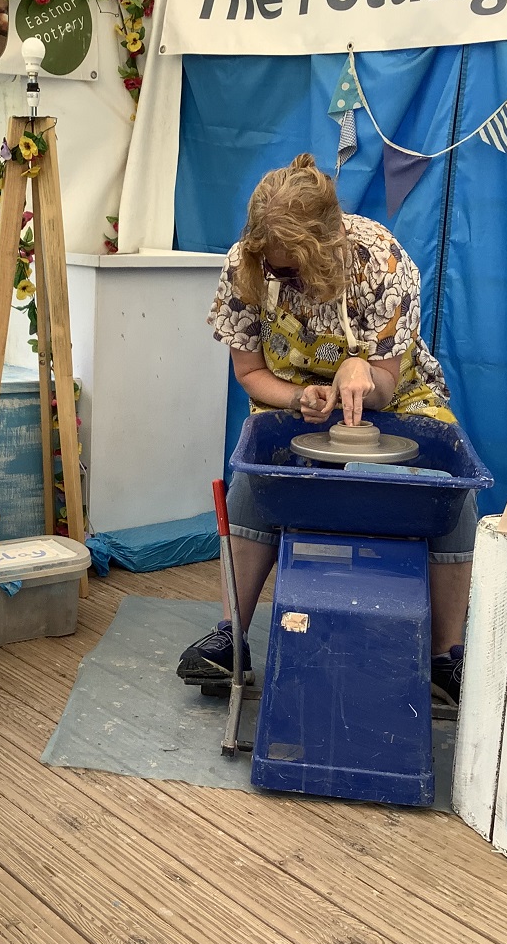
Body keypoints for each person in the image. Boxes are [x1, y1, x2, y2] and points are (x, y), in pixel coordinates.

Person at [176, 153, 477, 705]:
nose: (279, 278)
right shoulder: (246, 265)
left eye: (291, 270)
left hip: (393, 394)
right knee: (255, 475)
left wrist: (361, 370)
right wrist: (297, 397)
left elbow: (388, 379)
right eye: (273, 268)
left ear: (328, 246)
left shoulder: (382, 263)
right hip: (298, 399)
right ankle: (232, 638)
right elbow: (249, 373)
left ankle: (443, 656)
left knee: (452, 488)